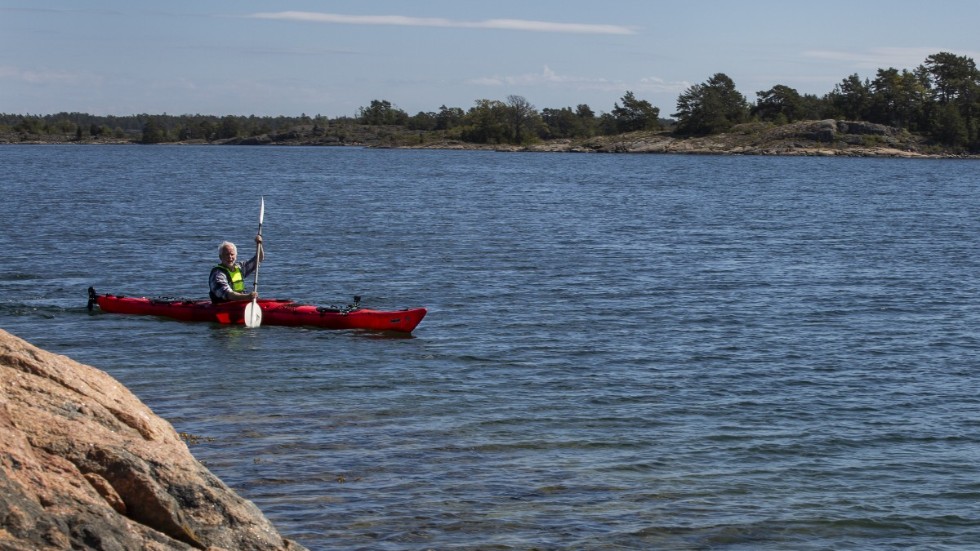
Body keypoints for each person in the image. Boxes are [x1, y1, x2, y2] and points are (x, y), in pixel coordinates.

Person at [209, 235, 264, 303]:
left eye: (232, 254)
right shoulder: (218, 274)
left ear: (236, 256)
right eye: (227, 254)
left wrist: (259, 244)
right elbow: (228, 294)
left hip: (239, 303)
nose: (230, 257)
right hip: (224, 306)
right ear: (220, 257)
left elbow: (258, 259)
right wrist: (247, 297)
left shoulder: (239, 267)